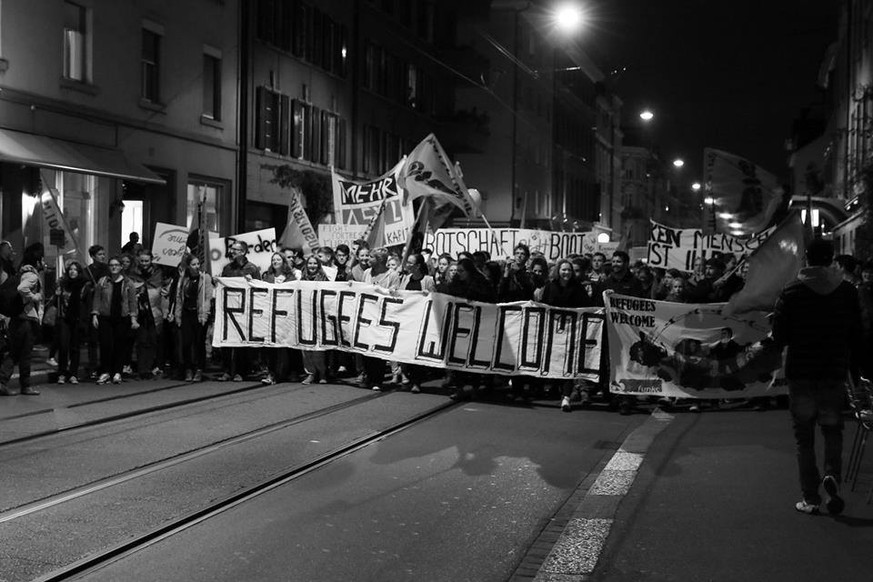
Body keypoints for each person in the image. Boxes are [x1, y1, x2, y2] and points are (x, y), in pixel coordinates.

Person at [770, 238, 861, 515]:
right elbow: (856, 333)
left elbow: (781, 336)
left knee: (804, 437)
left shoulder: (792, 291)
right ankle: (832, 474)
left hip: (801, 372)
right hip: (833, 371)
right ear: (831, 258)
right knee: (833, 430)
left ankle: (810, 498)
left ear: (806, 259)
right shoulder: (847, 291)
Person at [540, 259, 591, 412]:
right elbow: (543, 304)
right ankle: (556, 391)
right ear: (558, 271)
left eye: (569, 270)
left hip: (572, 331)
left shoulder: (577, 288)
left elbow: (587, 305)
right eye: (563, 270)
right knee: (555, 360)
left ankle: (566, 397)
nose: (566, 272)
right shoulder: (551, 286)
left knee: (569, 363)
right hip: (554, 331)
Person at [0, 244, 45, 396]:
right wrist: (35, 297)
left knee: (14, 352)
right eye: (42, 260)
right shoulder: (31, 275)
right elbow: (22, 289)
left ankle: (3, 382)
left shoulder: (22, 272)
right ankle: (24, 386)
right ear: (38, 261)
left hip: (17, 318)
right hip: (25, 319)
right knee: (24, 353)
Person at [217, 241, 261, 381]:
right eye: (231, 249)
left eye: (235, 250)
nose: (232, 252)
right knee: (227, 341)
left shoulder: (252, 269)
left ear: (243, 252)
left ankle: (241, 371)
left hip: (245, 311)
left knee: (242, 343)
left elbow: (259, 289)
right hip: (229, 310)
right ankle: (227, 370)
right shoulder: (227, 268)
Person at [91, 256, 139, 385]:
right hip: (105, 317)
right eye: (111, 265)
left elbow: (132, 302)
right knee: (106, 345)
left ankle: (117, 371)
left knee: (120, 345)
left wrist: (133, 318)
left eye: (117, 265)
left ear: (121, 267)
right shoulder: (103, 282)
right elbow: (97, 299)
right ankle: (105, 371)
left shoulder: (128, 283)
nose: (114, 267)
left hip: (122, 318)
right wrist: (95, 314)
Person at [397, 253, 436, 394]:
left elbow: (435, 299)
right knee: (405, 351)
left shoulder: (428, 280)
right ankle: (407, 377)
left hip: (421, 322)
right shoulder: (406, 278)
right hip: (408, 320)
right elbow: (401, 295)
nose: (407, 265)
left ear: (418, 265)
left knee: (416, 353)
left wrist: (428, 295)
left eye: (410, 263)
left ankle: (417, 382)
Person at [173, 255, 213, 383]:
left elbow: (208, 297)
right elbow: (179, 298)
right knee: (186, 343)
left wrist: (205, 314)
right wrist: (177, 315)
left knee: (199, 343)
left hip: (199, 314)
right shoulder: (183, 279)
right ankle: (188, 368)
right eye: (193, 264)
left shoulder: (205, 278)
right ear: (188, 266)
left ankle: (199, 369)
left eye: (198, 264)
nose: (196, 267)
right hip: (186, 313)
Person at [260, 252, 296, 385]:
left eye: (278, 259)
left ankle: (285, 372)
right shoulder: (268, 277)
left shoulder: (291, 278)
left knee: (285, 347)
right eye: (273, 260)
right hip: (271, 316)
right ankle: (272, 373)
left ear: (283, 261)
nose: (275, 262)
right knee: (271, 347)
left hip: (286, 317)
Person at [130, 250, 166, 379]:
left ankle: (150, 367)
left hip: (154, 311)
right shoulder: (133, 273)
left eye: (147, 261)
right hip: (140, 312)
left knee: (153, 340)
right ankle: (142, 369)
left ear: (151, 261)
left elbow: (162, 288)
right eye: (142, 261)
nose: (144, 263)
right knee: (142, 341)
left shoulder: (158, 273)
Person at [55, 261, 88, 384]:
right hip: (64, 318)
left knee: (75, 347)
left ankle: (73, 373)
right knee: (63, 346)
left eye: (75, 269)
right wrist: (57, 295)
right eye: (70, 269)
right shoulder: (63, 284)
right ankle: (62, 372)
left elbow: (86, 304)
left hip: (77, 318)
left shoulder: (84, 285)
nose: (72, 271)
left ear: (79, 272)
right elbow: (56, 304)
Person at [299, 255, 330, 384]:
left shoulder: (324, 280)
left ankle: (322, 373)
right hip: (305, 316)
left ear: (319, 265)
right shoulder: (301, 280)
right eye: (310, 263)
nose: (312, 266)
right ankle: (311, 373)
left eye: (315, 264)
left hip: (319, 316)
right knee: (306, 347)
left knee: (319, 347)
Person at [84, 244, 109, 379]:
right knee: (92, 340)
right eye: (100, 254)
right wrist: (90, 288)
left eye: (103, 254)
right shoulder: (87, 271)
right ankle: (93, 365)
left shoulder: (108, 269)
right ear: (93, 256)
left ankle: (105, 365)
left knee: (105, 339)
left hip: (105, 307)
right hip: (92, 308)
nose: (103, 256)